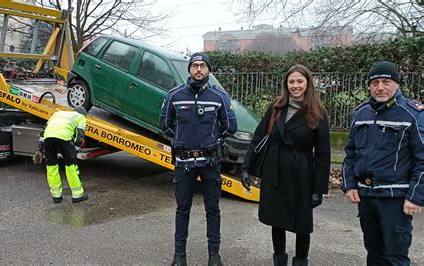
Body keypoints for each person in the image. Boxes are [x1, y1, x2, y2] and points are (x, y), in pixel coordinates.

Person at [241, 64, 331, 266]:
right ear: (286, 84)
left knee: (302, 224)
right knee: (277, 220)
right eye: (291, 81)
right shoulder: (276, 107)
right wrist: (246, 167)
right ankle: (279, 261)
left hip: (302, 174)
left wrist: (318, 189)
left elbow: (324, 155)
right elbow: (259, 137)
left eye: (300, 81)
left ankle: (300, 261)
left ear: (308, 83)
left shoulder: (318, 112)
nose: (295, 86)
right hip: (275, 171)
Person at [159, 52, 237, 266]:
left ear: (209, 70)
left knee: (213, 210)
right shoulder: (175, 95)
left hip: (210, 164)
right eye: (195, 66)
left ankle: (214, 256)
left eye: (203, 66)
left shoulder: (220, 97)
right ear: (190, 69)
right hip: (183, 164)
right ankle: (179, 256)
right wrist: (182, 136)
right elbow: (164, 124)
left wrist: (213, 139)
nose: (199, 69)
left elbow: (230, 127)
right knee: (182, 209)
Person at [342, 60, 423, 265]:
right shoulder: (361, 113)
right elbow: (350, 152)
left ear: (397, 84)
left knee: (395, 256)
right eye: (375, 82)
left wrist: (415, 197)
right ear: (369, 86)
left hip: (394, 199)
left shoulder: (413, 115)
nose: (380, 87)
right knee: (374, 252)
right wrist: (349, 184)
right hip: (366, 196)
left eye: (386, 82)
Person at [33, 106, 89, 204]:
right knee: (71, 166)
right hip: (64, 138)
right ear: (83, 114)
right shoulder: (81, 117)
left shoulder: (57, 114)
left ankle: (56, 196)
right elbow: (80, 136)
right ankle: (77, 195)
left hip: (49, 137)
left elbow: (43, 132)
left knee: (51, 166)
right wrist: (74, 152)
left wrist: (39, 150)